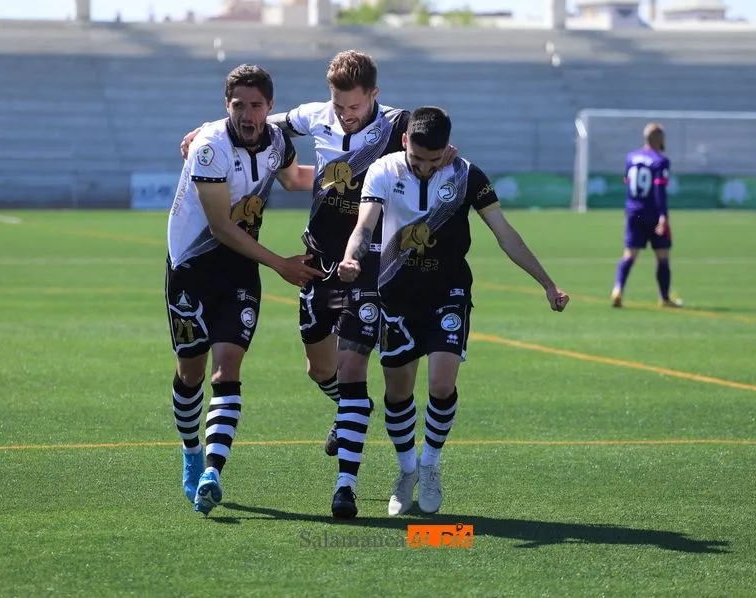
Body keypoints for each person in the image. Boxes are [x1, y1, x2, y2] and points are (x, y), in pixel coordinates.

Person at [181, 51, 455, 519]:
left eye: (354, 107)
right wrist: (203, 130)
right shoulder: (313, 116)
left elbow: (434, 142)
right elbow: (257, 117)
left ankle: (347, 483)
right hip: (319, 258)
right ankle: (349, 409)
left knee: (351, 367)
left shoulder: (397, 125)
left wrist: (450, 154)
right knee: (317, 367)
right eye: (339, 106)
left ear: (374, 95)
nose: (345, 115)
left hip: (369, 261)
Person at [338, 106, 569, 516]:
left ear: (447, 148)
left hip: (449, 292)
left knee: (442, 384)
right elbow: (364, 226)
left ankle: (429, 465)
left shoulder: (467, 175)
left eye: (434, 160)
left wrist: (547, 283)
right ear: (405, 141)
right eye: (418, 160)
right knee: (398, 391)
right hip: (395, 294)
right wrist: (352, 258)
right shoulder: (382, 171)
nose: (425, 169)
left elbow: (505, 234)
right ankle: (406, 469)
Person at [167, 64, 323, 516]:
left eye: (256, 105)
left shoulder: (275, 140)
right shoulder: (209, 148)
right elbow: (219, 227)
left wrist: (352, 173)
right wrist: (280, 264)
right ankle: (191, 450)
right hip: (192, 268)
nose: (248, 113)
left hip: (240, 267)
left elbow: (295, 179)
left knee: (227, 368)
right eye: (239, 105)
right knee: (190, 373)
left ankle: (213, 471)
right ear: (226, 105)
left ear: (270, 107)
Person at [611, 122, 682, 308]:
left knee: (629, 255)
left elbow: (627, 182)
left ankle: (618, 289)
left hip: (634, 212)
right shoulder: (660, 161)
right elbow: (659, 189)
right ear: (659, 139)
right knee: (662, 256)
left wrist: (629, 207)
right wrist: (663, 216)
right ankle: (665, 298)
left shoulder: (631, 157)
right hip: (652, 212)